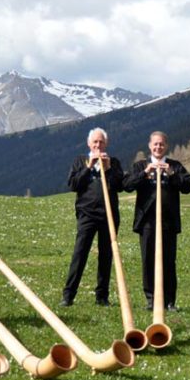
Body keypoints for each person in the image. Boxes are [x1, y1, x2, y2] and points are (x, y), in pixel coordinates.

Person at [122, 131, 190, 311]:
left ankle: (169, 301)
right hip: (147, 222)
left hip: (168, 222)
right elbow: (127, 185)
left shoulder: (175, 166)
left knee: (169, 261)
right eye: (155, 144)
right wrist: (145, 173)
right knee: (148, 261)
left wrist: (171, 174)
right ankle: (151, 299)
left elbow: (188, 186)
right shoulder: (141, 165)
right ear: (149, 146)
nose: (158, 147)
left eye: (161, 144)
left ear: (166, 146)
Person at [61, 128, 123, 307]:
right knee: (80, 253)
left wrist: (108, 169)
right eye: (95, 142)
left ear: (106, 144)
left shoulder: (114, 162)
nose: (98, 145)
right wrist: (89, 167)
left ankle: (102, 296)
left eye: (101, 142)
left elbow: (120, 186)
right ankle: (68, 295)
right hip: (87, 214)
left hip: (109, 215)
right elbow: (73, 184)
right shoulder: (80, 161)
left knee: (106, 255)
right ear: (89, 144)